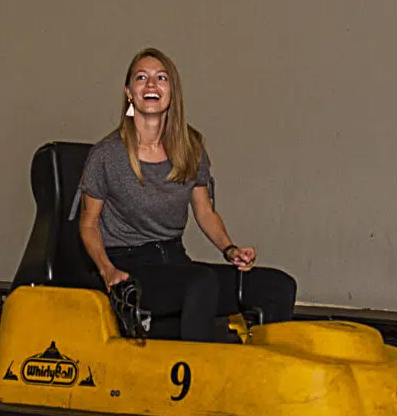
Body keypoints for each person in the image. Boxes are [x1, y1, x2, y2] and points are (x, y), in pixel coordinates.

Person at [75, 48, 297, 341]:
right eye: (141, 78)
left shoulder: (190, 147)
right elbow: (89, 223)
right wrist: (108, 272)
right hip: (131, 267)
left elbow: (204, 212)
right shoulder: (107, 155)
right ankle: (198, 377)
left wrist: (230, 250)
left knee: (278, 285)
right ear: (129, 93)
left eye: (161, 78)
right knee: (199, 284)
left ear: (172, 92)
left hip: (175, 263)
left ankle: (265, 375)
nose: (151, 85)